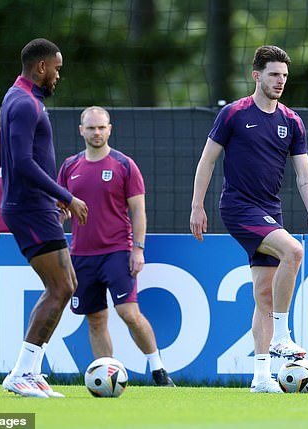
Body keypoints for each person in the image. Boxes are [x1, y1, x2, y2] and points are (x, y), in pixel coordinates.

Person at [190, 45, 308, 393]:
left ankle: (261, 378)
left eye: (283, 76)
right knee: (293, 252)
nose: (280, 81)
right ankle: (282, 335)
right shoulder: (234, 114)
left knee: (264, 294)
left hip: (269, 210)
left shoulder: (292, 121)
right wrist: (196, 206)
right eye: (273, 75)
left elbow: (304, 175)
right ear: (256, 76)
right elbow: (207, 161)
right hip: (238, 207)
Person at [57, 106, 175, 387]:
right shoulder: (69, 167)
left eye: (101, 127)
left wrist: (139, 248)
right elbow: (60, 209)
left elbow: (139, 211)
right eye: (91, 128)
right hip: (82, 255)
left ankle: (158, 370)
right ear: (81, 130)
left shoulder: (124, 165)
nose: (96, 133)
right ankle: (107, 377)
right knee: (95, 319)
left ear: (110, 129)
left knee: (129, 314)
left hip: (117, 252)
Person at [0, 38, 88, 398]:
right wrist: (65, 195)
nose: (58, 75)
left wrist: (52, 199)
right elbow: (22, 162)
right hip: (28, 207)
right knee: (61, 287)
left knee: (66, 284)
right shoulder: (24, 103)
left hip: (36, 205)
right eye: (57, 68)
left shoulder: (19, 97)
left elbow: (28, 158)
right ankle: (21, 373)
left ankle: (30, 370)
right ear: (41, 67)